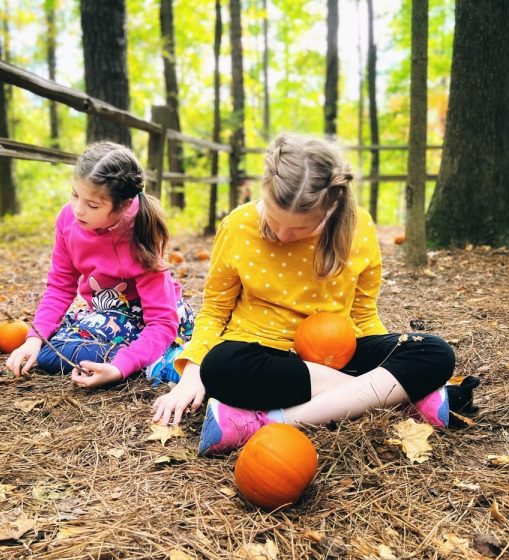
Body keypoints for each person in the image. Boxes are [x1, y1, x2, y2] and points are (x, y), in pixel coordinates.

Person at [151, 133, 478, 455]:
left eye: (299, 228)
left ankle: (271, 420)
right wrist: (193, 372)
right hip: (264, 360)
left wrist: (390, 358)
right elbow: (215, 310)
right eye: (274, 219)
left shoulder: (358, 228)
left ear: (331, 207)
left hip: (338, 353)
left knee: (435, 353)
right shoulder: (238, 226)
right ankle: (392, 399)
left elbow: (364, 314)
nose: (281, 234)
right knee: (219, 367)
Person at [7, 141, 194, 388]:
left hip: (154, 319)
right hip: (106, 314)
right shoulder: (67, 220)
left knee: (56, 353)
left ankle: (158, 358)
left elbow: (161, 320)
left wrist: (119, 368)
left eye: (93, 205)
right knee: (46, 348)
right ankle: (147, 356)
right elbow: (60, 287)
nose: (77, 210)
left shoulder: (140, 232)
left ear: (124, 205)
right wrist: (35, 338)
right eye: (75, 195)